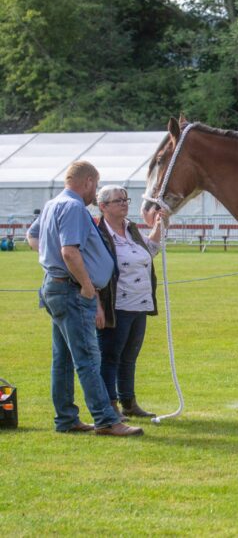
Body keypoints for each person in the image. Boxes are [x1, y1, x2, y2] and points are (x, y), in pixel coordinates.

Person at [30, 161, 143, 436]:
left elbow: (32, 237)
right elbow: (70, 251)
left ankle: (67, 418)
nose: (95, 194)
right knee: (88, 357)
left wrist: (51, 263)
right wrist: (87, 285)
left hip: (56, 286)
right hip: (71, 290)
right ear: (89, 181)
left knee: (64, 358)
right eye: (96, 186)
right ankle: (106, 419)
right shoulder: (73, 207)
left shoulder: (52, 204)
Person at [95, 185, 163, 420]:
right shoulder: (99, 233)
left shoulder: (131, 229)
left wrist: (158, 226)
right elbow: (94, 270)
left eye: (126, 199)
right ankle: (110, 404)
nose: (124, 203)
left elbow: (150, 250)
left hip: (140, 303)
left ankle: (129, 401)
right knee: (111, 356)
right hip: (116, 305)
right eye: (118, 201)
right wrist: (98, 305)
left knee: (130, 356)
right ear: (103, 206)